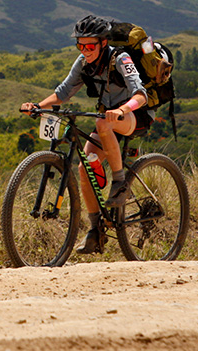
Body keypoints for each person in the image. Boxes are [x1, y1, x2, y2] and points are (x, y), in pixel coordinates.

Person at [19, 14, 150, 255]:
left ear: (103, 42)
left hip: (131, 116)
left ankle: (120, 183)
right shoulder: (83, 62)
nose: (85, 50)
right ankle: (95, 230)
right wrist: (38, 105)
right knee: (84, 168)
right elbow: (63, 92)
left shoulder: (120, 58)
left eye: (90, 45)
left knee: (102, 124)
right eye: (80, 45)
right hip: (105, 120)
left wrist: (121, 110)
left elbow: (141, 95)